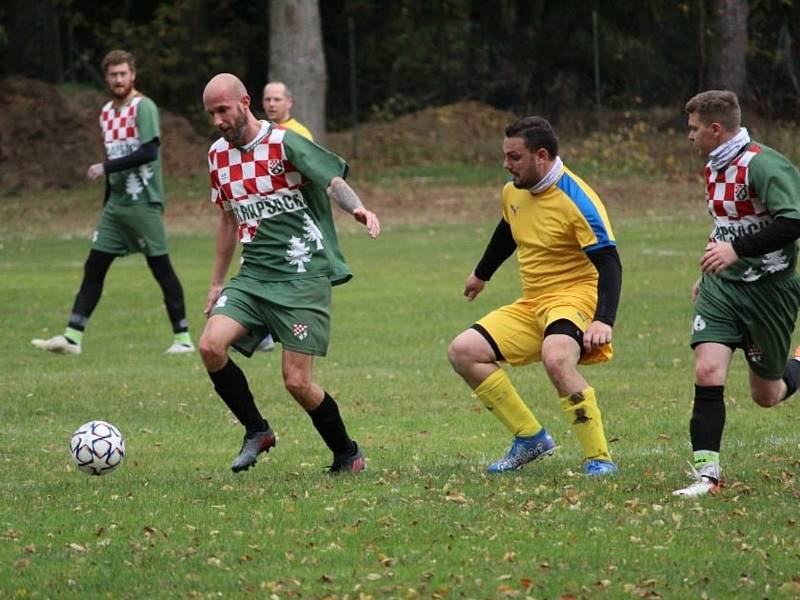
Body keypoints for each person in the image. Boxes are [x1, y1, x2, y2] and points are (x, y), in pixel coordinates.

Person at [199, 73, 380, 474]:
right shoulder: (217, 156)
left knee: (296, 382)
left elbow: (331, 180)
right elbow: (228, 220)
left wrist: (357, 209)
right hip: (253, 276)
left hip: (302, 276)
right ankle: (256, 430)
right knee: (211, 346)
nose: (217, 121)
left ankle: (347, 454)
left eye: (223, 110)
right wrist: (216, 282)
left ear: (244, 102)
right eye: (211, 114)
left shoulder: (283, 142)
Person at [447, 116, 622, 476]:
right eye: (506, 156)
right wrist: (482, 274)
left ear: (541, 155)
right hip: (534, 301)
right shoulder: (514, 190)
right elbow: (508, 230)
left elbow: (610, 263)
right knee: (464, 351)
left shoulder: (578, 201)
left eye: (514, 157)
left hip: (575, 297)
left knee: (556, 358)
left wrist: (604, 319)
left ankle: (600, 458)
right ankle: (530, 438)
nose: (506, 165)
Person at [673, 90, 800, 497]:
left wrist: (736, 250)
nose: (689, 137)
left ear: (715, 128)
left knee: (768, 394)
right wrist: (711, 264)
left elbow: (793, 221)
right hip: (722, 288)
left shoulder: (762, 164)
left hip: (770, 291)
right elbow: (728, 223)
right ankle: (707, 477)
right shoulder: (713, 167)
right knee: (707, 370)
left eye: (693, 129)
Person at [31, 49, 193, 356]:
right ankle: (72, 338)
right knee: (94, 266)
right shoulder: (106, 112)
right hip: (116, 207)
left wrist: (104, 168)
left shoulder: (143, 107)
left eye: (123, 73)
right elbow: (114, 156)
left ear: (133, 75)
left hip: (143, 202)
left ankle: (183, 339)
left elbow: (149, 152)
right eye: (113, 74)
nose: (118, 79)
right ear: (106, 78)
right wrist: (106, 202)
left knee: (160, 267)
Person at [254, 81, 315, 353]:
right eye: (267, 99)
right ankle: (263, 331)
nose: (271, 104)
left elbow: (311, 176)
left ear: (289, 102)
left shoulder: (298, 134)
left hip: (292, 219)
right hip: (264, 218)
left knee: (287, 272)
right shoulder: (259, 133)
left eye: (277, 99)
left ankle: (282, 331)